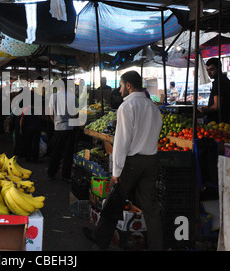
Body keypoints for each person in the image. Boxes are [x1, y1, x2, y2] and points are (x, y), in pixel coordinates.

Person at [82, 71, 163, 251]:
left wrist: (116, 172)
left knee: (114, 201)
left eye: (120, 86)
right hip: (151, 161)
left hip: (132, 162)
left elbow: (121, 142)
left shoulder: (127, 107)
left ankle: (100, 241)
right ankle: (157, 246)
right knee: (151, 208)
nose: (119, 91)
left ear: (128, 85)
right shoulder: (153, 107)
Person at [47, 78, 78, 182]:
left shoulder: (53, 96)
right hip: (69, 128)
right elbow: (75, 114)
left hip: (58, 128)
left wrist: (56, 122)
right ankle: (66, 176)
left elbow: (51, 114)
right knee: (68, 153)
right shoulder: (72, 97)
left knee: (56, 152)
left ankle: (51, 174)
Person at [198, 57, 230, 124]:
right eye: (207, 70)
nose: (209, 73)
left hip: (217, 121)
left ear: (219, 68)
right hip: (224, 120)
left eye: (211, 69)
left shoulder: (219, 83)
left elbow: (216, 106)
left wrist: (204, 110)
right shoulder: (225, 80)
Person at [20, 91, 42, 162]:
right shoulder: (38, 109)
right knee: (36, 143)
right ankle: (35, 158)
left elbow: (22, 120)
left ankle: (28, 157)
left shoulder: (25, 109)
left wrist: (20, 129)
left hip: (28, 129)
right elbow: (39, 118)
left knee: (28, 143)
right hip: (36, 128)